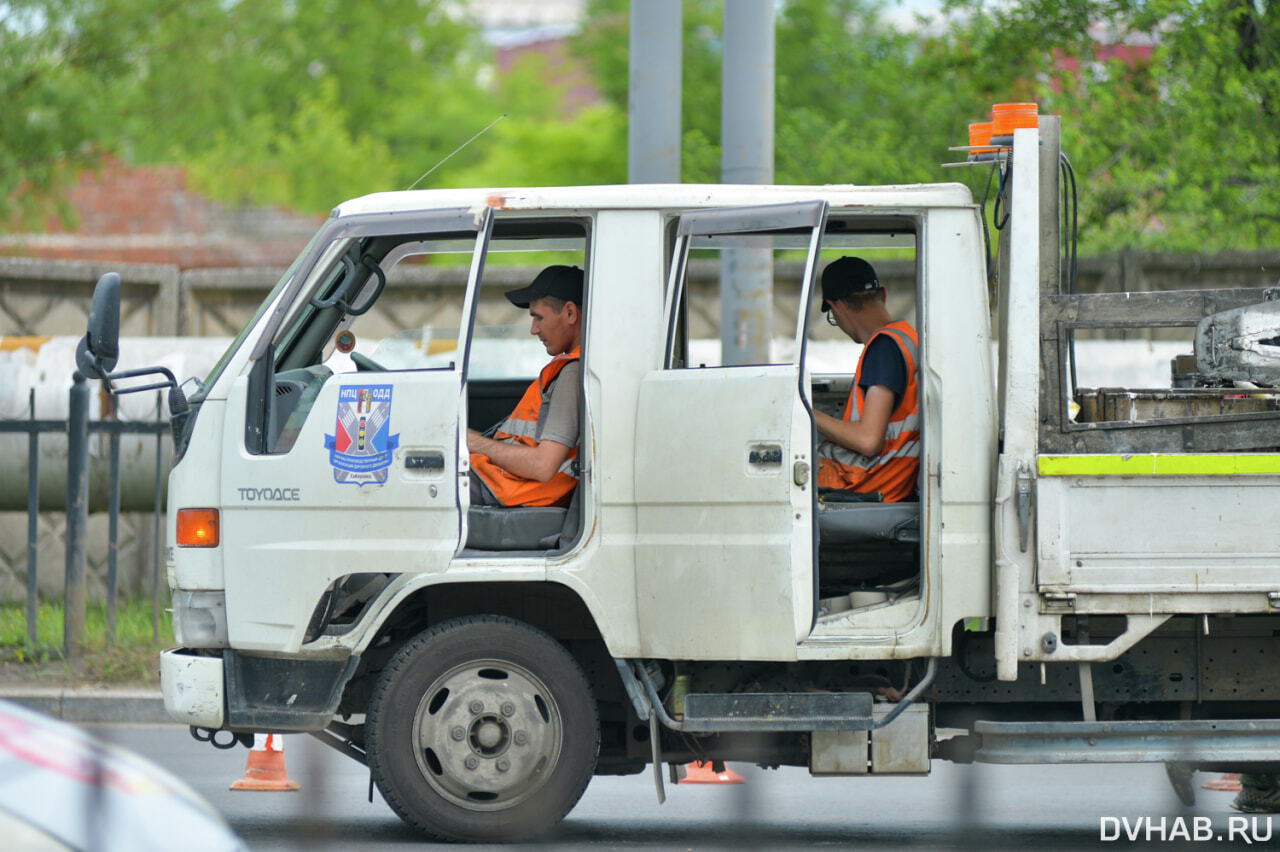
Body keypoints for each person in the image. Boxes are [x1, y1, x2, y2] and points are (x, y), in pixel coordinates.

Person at [468, 265, 583, 508]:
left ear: (570, 313)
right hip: (503, 483)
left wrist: (475, 444)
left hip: (512, 493)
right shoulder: (568, 369)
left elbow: (543, 466)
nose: (534, 330)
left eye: (538, 317)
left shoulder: (572, 374)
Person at [814, 256, 920, 503]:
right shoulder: (907, 338)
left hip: (862, 484)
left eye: (832, 316)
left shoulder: (884, 347)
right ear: (882, 294)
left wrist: (806, 411)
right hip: (883, 479)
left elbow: (867, 440)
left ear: (836, 306)